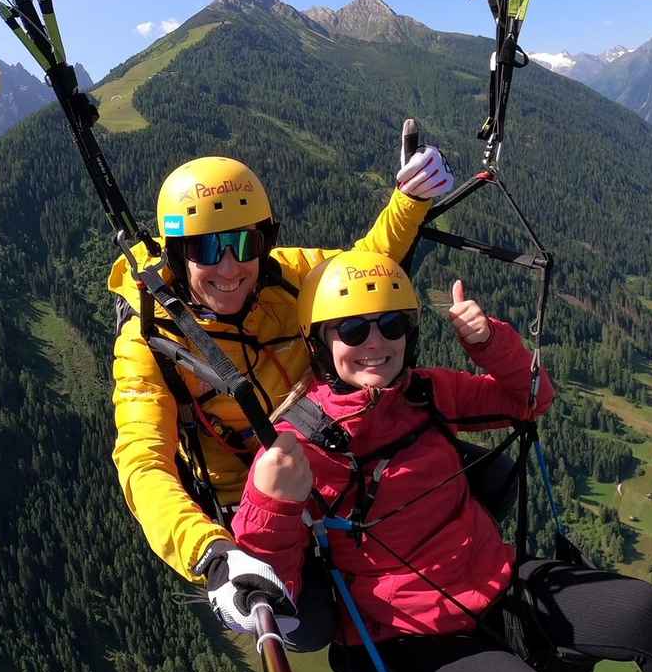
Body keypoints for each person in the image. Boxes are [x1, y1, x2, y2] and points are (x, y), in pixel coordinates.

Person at [229, 250, 652, 672]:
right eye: (352, 329)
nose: (375, 342)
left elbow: (529, 400)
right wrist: (270, 501)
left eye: (392, 326)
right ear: (320, 342)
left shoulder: (426, 392)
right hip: (409, 635)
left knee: (651, 615)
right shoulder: (297, 444)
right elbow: (270, 584)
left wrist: (488, 343)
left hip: (498, 578)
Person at [106, 138, 453, 640]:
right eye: (207, 250)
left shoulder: (286, 275)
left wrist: (410, 200)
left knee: (488, 485)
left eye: (244, 245)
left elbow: (362, 268)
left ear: (264, 243)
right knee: (307, 626)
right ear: (179, 256)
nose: (229, 268)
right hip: (244, 501)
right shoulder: (150, 340)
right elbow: (142, 460)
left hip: (328, 460)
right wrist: (211, 552)